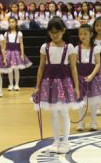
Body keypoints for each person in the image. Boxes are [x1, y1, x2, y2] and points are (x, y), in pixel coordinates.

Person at [31, 18, 81, 154]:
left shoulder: (69, 47)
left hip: (64, 83)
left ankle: (65, 142)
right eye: (52, 32)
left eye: (57, 32)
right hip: (49, 83)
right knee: (53, 113)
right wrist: (38, 86)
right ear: (48, 32)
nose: (55, 35)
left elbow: (73, 68)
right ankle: (56, 141)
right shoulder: (45, 47)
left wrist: (76, 87)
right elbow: (41, 67)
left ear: (63, 31)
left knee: (64, 112)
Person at [73, 24, 101, 131]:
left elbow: (98, 63)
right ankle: (81, 123)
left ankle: (93, 122)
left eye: (85, 34)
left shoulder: (95, 48)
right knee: (81, 102)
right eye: (80, 34)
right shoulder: (76, 49)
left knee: (93, 102)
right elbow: (74, 65)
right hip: (80, 78)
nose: (82, 36)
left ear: (91, 34)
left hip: (93, 78)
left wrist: (91, 75)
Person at [4, 17, 32, 91]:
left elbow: (21, 44)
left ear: (16, 23)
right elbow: (4, 45)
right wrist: (4, 54)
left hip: (16, 52)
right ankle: (11, 84)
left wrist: (22, 54)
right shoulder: (6, 33)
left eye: (13, 22)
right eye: (10, 22)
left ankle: (16, 84)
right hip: (8, 52)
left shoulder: (19, 33)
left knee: (16, 69)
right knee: (10, 69)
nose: (11, 24)